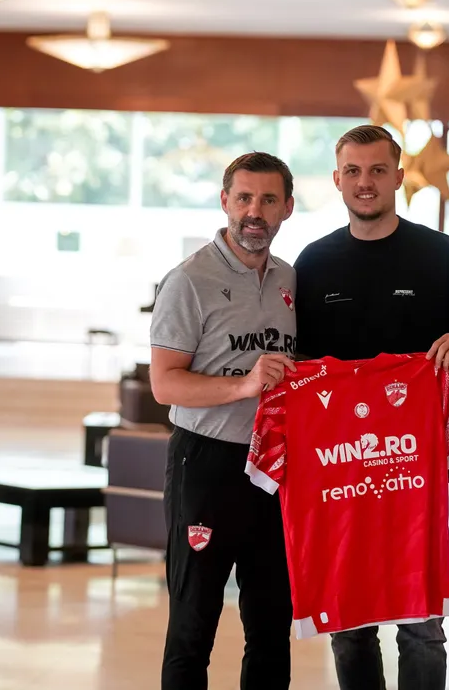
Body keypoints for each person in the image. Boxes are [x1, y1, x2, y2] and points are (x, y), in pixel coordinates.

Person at [293, 124, 449, 690]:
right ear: (337, 179)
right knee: (350, 626)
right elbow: (299, 367)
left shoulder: (438, 255)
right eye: (353, 171)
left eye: (378, 170)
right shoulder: (313, 263)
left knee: (421, 624)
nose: (365, 182)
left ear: (399, 177)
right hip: (340, 469)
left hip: (416, 466)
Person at [150, 151, 298, 690]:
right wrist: (244, 385)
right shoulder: (189, 280)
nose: (254, 211)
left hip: (274, 469)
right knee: (193, 626)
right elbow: (165, 384)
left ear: (287, 208)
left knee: (271, 626)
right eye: (244, 198)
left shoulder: (289, 278)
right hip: (206, 464)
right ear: (225, 201)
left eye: (268, 199)